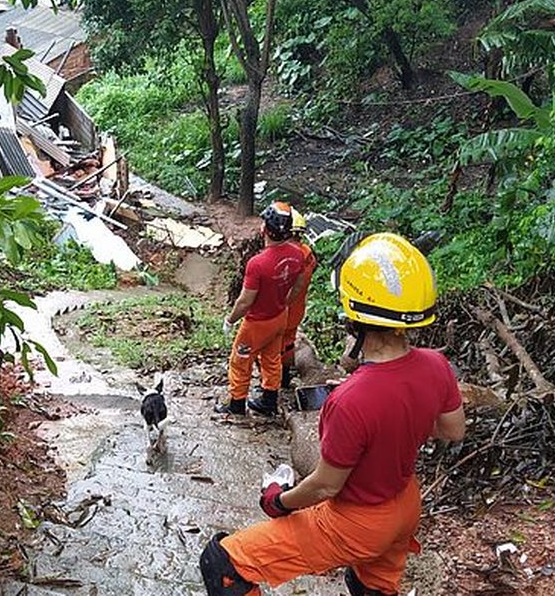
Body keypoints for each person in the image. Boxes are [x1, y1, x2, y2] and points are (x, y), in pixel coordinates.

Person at [200, 233, 467, 596]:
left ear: (353, 319)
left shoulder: (351, 398)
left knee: (222, 564)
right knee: (370, 584)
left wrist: (278, 500)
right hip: (405, 505)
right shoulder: (436, 364)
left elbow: (327, 485)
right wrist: (399, 422)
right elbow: (452, 429)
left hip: (357, 521)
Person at [217, 202, 306, 417]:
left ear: (264, 229)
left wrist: (230, 320)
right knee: (272, 358)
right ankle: (269, 401)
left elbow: (245, 301)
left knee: (240, 361)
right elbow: (300, 284)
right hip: (279, 317)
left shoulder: (257, 263)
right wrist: (284, 302)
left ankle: (237, 403)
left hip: (256, 323)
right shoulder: (298, 254)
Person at [279, 209, 318, 390]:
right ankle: (284, 379)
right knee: (288, 342)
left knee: (273, 346)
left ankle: (271, 384)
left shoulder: (287, 255)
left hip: (282, 307)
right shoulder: (307, 253)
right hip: (297, 308)